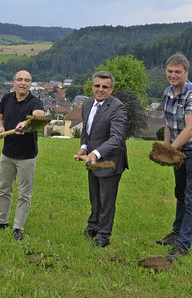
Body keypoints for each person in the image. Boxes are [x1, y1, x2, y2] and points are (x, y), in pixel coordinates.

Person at [157, 53, 192, 262]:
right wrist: (168, 147)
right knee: (180, 193)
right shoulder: (168, 92)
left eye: (178, 72)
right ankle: (177, 232)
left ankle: (183, 245)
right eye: (170, 71)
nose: (173, 75)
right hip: (179, 151)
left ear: (186, 72)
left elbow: (191, 128)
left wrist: (169, 151)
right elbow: (170, 124)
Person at [0, 70, 45, 241]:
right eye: (19, 80)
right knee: (4, 189)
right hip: (7, 154)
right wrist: (0, 128)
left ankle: (18, 228)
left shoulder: (35, 102)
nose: (23, 83)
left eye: (27, 80)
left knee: (24, 194)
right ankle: (1, 221)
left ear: (30, 84)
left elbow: (39, 116)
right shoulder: (7, 98)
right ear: (13, 82)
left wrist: (27, 123)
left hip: (27, 156)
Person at [74, 71, 128, 248]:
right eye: (97, 86)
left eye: (105, 87)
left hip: (110, 161)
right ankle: (93, 226)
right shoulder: (88, 104)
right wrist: (83, 147)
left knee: (106, 200)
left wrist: (96, 153)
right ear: (92, 87)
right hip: (92, 159)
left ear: (111, 89)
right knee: (95, 196)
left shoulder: (117, 108)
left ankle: (103, 236)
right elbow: (86, 133)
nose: (100, 89)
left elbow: (117, 138)